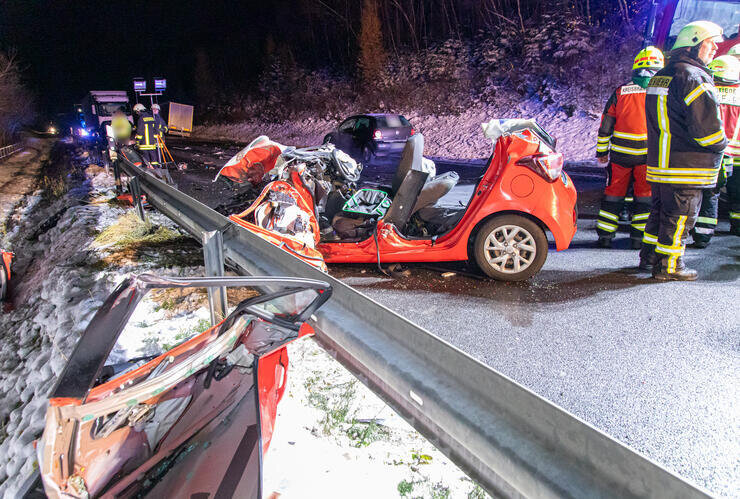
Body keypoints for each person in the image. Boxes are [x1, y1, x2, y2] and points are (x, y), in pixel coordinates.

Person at [639, 21, 727, 280]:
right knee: (680, 218)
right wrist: (722, 146)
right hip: (686, 166)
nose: (715, 48)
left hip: (662, 163)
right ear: (694, 43)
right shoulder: (693, 77)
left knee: (659, 215)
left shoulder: (663, 74)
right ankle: (669, 266)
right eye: (710, 43)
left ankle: (649, 258)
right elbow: (708, 131)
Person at [595, 46, 664, 249]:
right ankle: (638, 239)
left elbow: (606, 125)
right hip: (648, 155)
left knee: (613, 194)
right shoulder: (661, 93)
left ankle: (605, 236)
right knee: (645, 197)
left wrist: (601, 152)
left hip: (620, 155)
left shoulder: (621, 91)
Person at [691, 55, 740, 246]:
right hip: (736, 153)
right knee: (737, 193)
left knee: (711, 193)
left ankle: (702, 235)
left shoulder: (708, 91)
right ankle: (737, 226)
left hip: (713, 151)